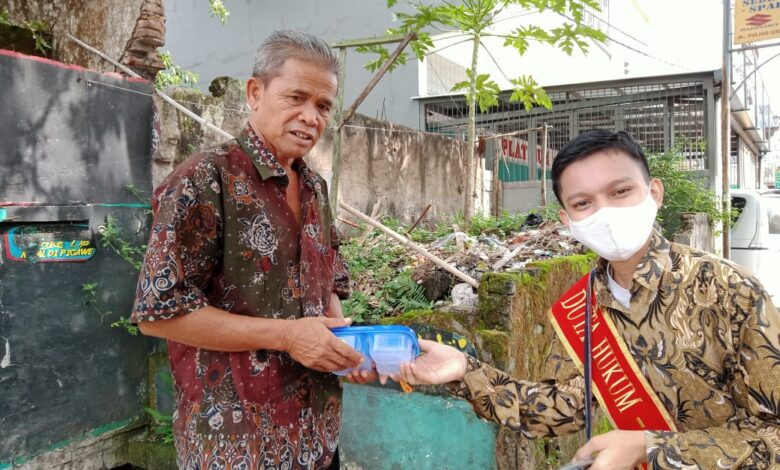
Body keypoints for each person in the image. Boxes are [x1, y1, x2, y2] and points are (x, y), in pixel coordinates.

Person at [394, 130, 780, 469]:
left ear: (655, 193)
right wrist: (465, 371)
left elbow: (774, 438)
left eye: (620, 191)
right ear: (568, 220)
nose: (605, 212)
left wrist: (653, 448)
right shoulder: (579, 307)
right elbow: (564, 407)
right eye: (583, 203)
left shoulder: (731, 292)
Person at [131, 30, 364, 470]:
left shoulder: (315, 186)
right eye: (295, 97)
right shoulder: (203, 179)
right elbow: (158, 314)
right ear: (255, 92)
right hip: (236, 446)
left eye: (323, 106)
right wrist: (287, 336)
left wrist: (344, 346)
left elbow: (329, 278)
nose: (310, 117)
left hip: (318, 437)